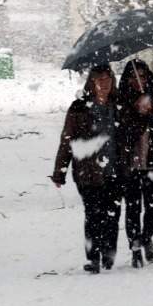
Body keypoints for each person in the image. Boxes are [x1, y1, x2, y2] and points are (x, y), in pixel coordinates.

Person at [51, 63, 122, 273]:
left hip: (115, 169)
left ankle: (108, 253)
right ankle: (93, 258)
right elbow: (67, 140)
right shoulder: (79, 108)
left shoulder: (119, 105)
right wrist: (59, 171)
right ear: (91, 82)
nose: (104, 84)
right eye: (99, 80)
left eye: (108, 79)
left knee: (112, 214)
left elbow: (131, 132)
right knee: (93, 214)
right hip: (88, 171)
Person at [116, 59, 153, 268]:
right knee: (133, 208)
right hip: (129, 165)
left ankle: (146, 237)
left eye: (142, 76)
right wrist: (135, 116)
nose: (138, 80)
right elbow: (118, 132)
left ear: (148, 77)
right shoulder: (121, 102)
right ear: (127, 79)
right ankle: (135, 248)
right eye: (133, 77)